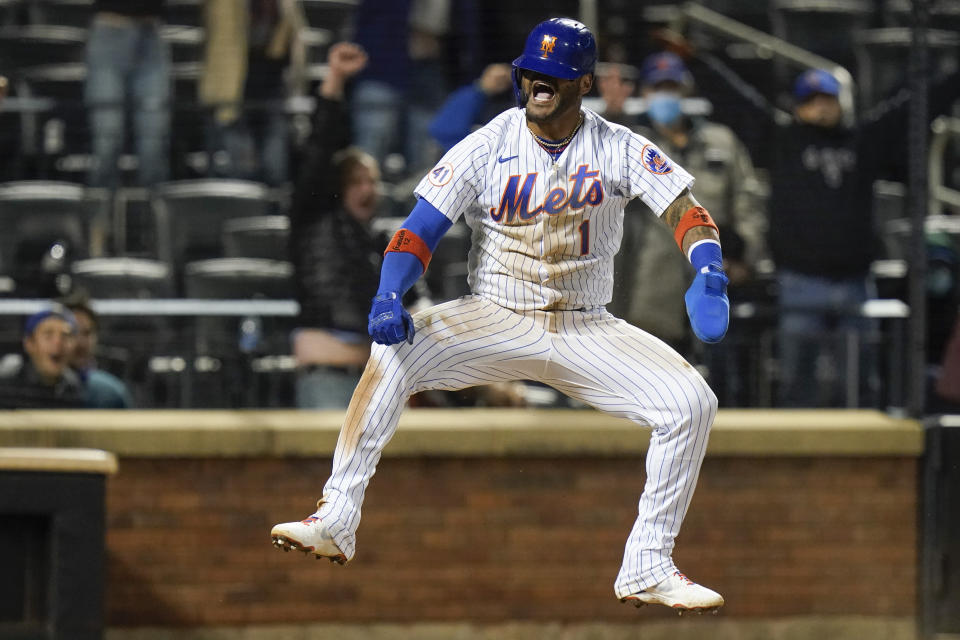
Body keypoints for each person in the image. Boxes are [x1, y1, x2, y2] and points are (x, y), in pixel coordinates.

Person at [272, 18, 730, 612]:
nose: (540, 82)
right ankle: (336, 517)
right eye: (532, 71)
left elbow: (686, 211)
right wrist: (389, 292)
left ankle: (647, 564)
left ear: (583, 81)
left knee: (692, 403)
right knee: (395, 352)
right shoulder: (489, 143)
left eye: (555, 74)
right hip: (497, 313)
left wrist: (709, 268)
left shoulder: (617, 144)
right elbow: (420, 230)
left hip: (585, 324)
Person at [288, 42, 386, 409]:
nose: (367, 190)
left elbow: (415, 298)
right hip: (326, 381)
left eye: (372, 182)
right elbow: (317, 151)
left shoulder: (382, 241)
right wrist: (334, 80)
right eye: (355, 182)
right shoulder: (314, 220)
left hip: (375, 383)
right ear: (337, 189)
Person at [199, 0, 306, 187]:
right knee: (241, 175)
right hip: (233, 92)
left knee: (275, 169)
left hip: (273, 90)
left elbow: (293, 37)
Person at [84, 0, 170, 190]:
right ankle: (102, 215)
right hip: (109, 30)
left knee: (154, 141)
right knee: (107, 139)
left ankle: (155, 215)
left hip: (151, 33)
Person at [0, 307, 85, 409]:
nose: (58, 343)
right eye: (48, 335)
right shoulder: (8, 387)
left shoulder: (75, 386)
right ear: (30, 343)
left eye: (65, 336)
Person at [64, 297, 133, 409]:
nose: (80, 342)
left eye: (86, 333)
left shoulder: (111, 394)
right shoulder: (39, 391)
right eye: (72, 332)